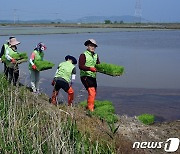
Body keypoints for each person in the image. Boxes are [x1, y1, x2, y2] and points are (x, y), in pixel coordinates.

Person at [79, 39, 100, 112]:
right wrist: (90, 68)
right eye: (91, 45)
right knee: (92, 92)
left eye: (94, 46)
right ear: (87, 46)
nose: (93, 47)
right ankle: (91, 110)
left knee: (94, 93)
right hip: (85, 76)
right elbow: (80, 66)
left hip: (93, 76)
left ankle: (89, 107)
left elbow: (98, 65)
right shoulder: (83, 55)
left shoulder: (96, 55)